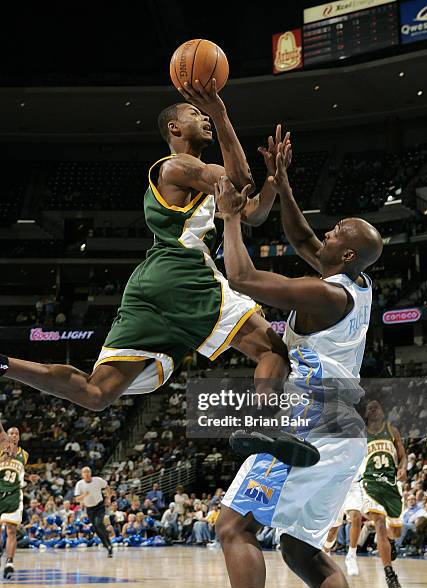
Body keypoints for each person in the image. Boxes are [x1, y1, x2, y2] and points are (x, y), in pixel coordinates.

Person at [0, 86, 316, 468]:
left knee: (98, 394)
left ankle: (5, 365)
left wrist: (274, 183)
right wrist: (219, 111)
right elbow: (238, 178)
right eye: (193, 113)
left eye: (204, 114)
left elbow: (250, 212)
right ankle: (266, 424)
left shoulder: (199, 182)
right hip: (184, 274)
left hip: (150, 287)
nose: (201, 117)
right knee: (271, 350)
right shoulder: (174, 167)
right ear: (174, 128)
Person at [213, 138, 383, 588]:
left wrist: (229, 216)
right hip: (346, 435)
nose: (327, 233)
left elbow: (243, 277)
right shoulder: (358, 284)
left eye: (338, 233)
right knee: (299, 548)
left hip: (312, 421)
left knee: (232, 527)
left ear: (347, 255)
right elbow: (303, 239)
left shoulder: (325, 297)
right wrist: (283, 186)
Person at [360, 400, 406, 588]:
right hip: (371, 484)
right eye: (369, 408)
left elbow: (403, 456)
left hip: (391, 485)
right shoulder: (361, 435)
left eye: (376, 406)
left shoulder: (392, 430)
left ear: (382, 411)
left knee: (394, 531)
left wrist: (402, 467)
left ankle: (391, 541)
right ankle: (390, 574)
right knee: (379, 522)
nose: (373, 409)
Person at [0, 426, 28, 579]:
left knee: (11, 530)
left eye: (17, 433)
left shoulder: (24, 455)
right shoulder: (1, 448)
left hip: (15, 494)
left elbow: (21, 473)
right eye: (11, 433)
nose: (14, 435)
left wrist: (29, 479)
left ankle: (10, 563)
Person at [74, 466, 113, 557]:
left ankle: (108, 543)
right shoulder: (80, 484)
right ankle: (108, 546)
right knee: (96, 528)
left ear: (91, 473)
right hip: (89, 508)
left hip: (99, 506)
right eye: (84, 472)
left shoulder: (97, 480)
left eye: (88, 472)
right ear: (82, 474)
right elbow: (76, 499)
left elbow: (107, 487)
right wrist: (84, 495)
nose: (87, 474)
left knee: (99, 523)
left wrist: (108, 498)